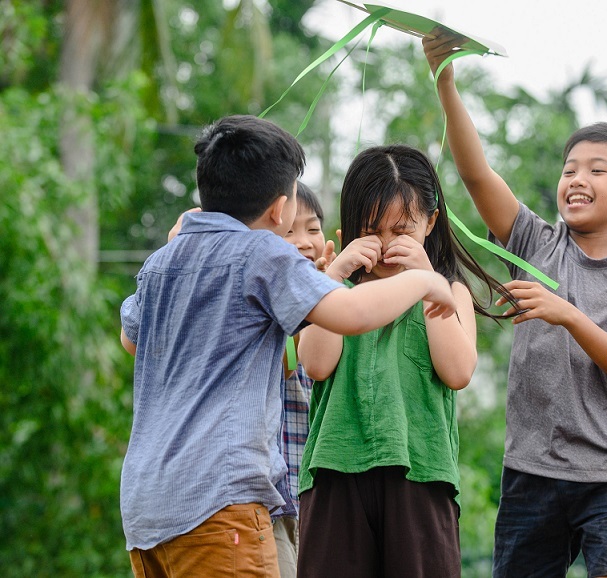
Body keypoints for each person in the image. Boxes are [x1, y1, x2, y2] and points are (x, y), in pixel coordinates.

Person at [119, 115, 457, 578]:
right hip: (221, 501)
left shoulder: (162, 260)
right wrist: (424, 279)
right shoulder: (262, 252)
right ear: (280, 209)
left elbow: (131, 340)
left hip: (146, 509)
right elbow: (352, 314)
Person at [423, 32, 607, 578]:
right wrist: (445, 78)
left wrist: (566, 313)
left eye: (597, 170)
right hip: (530, 472)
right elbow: (476, 175)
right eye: (570, 169)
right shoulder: (535, 244)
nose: (577, 179)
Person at [295, 144, 516, 577]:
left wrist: (427, 280)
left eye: (403, 230)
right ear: (350, 226)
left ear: (431, 224)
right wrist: (333, 278)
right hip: (335, 470)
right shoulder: (333, 291)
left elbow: (458, 372)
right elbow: (316, 365)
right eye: (371, 229)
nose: (387, 244)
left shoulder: (450, 292)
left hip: (422, 474)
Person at [272, 182, 335, 577]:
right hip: (273, 499)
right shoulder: (262, 303)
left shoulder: (339, 301)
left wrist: (329, 289)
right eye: (289, 231)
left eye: (313, 230)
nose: (304, 242)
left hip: (320, 499)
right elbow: (289, 362)